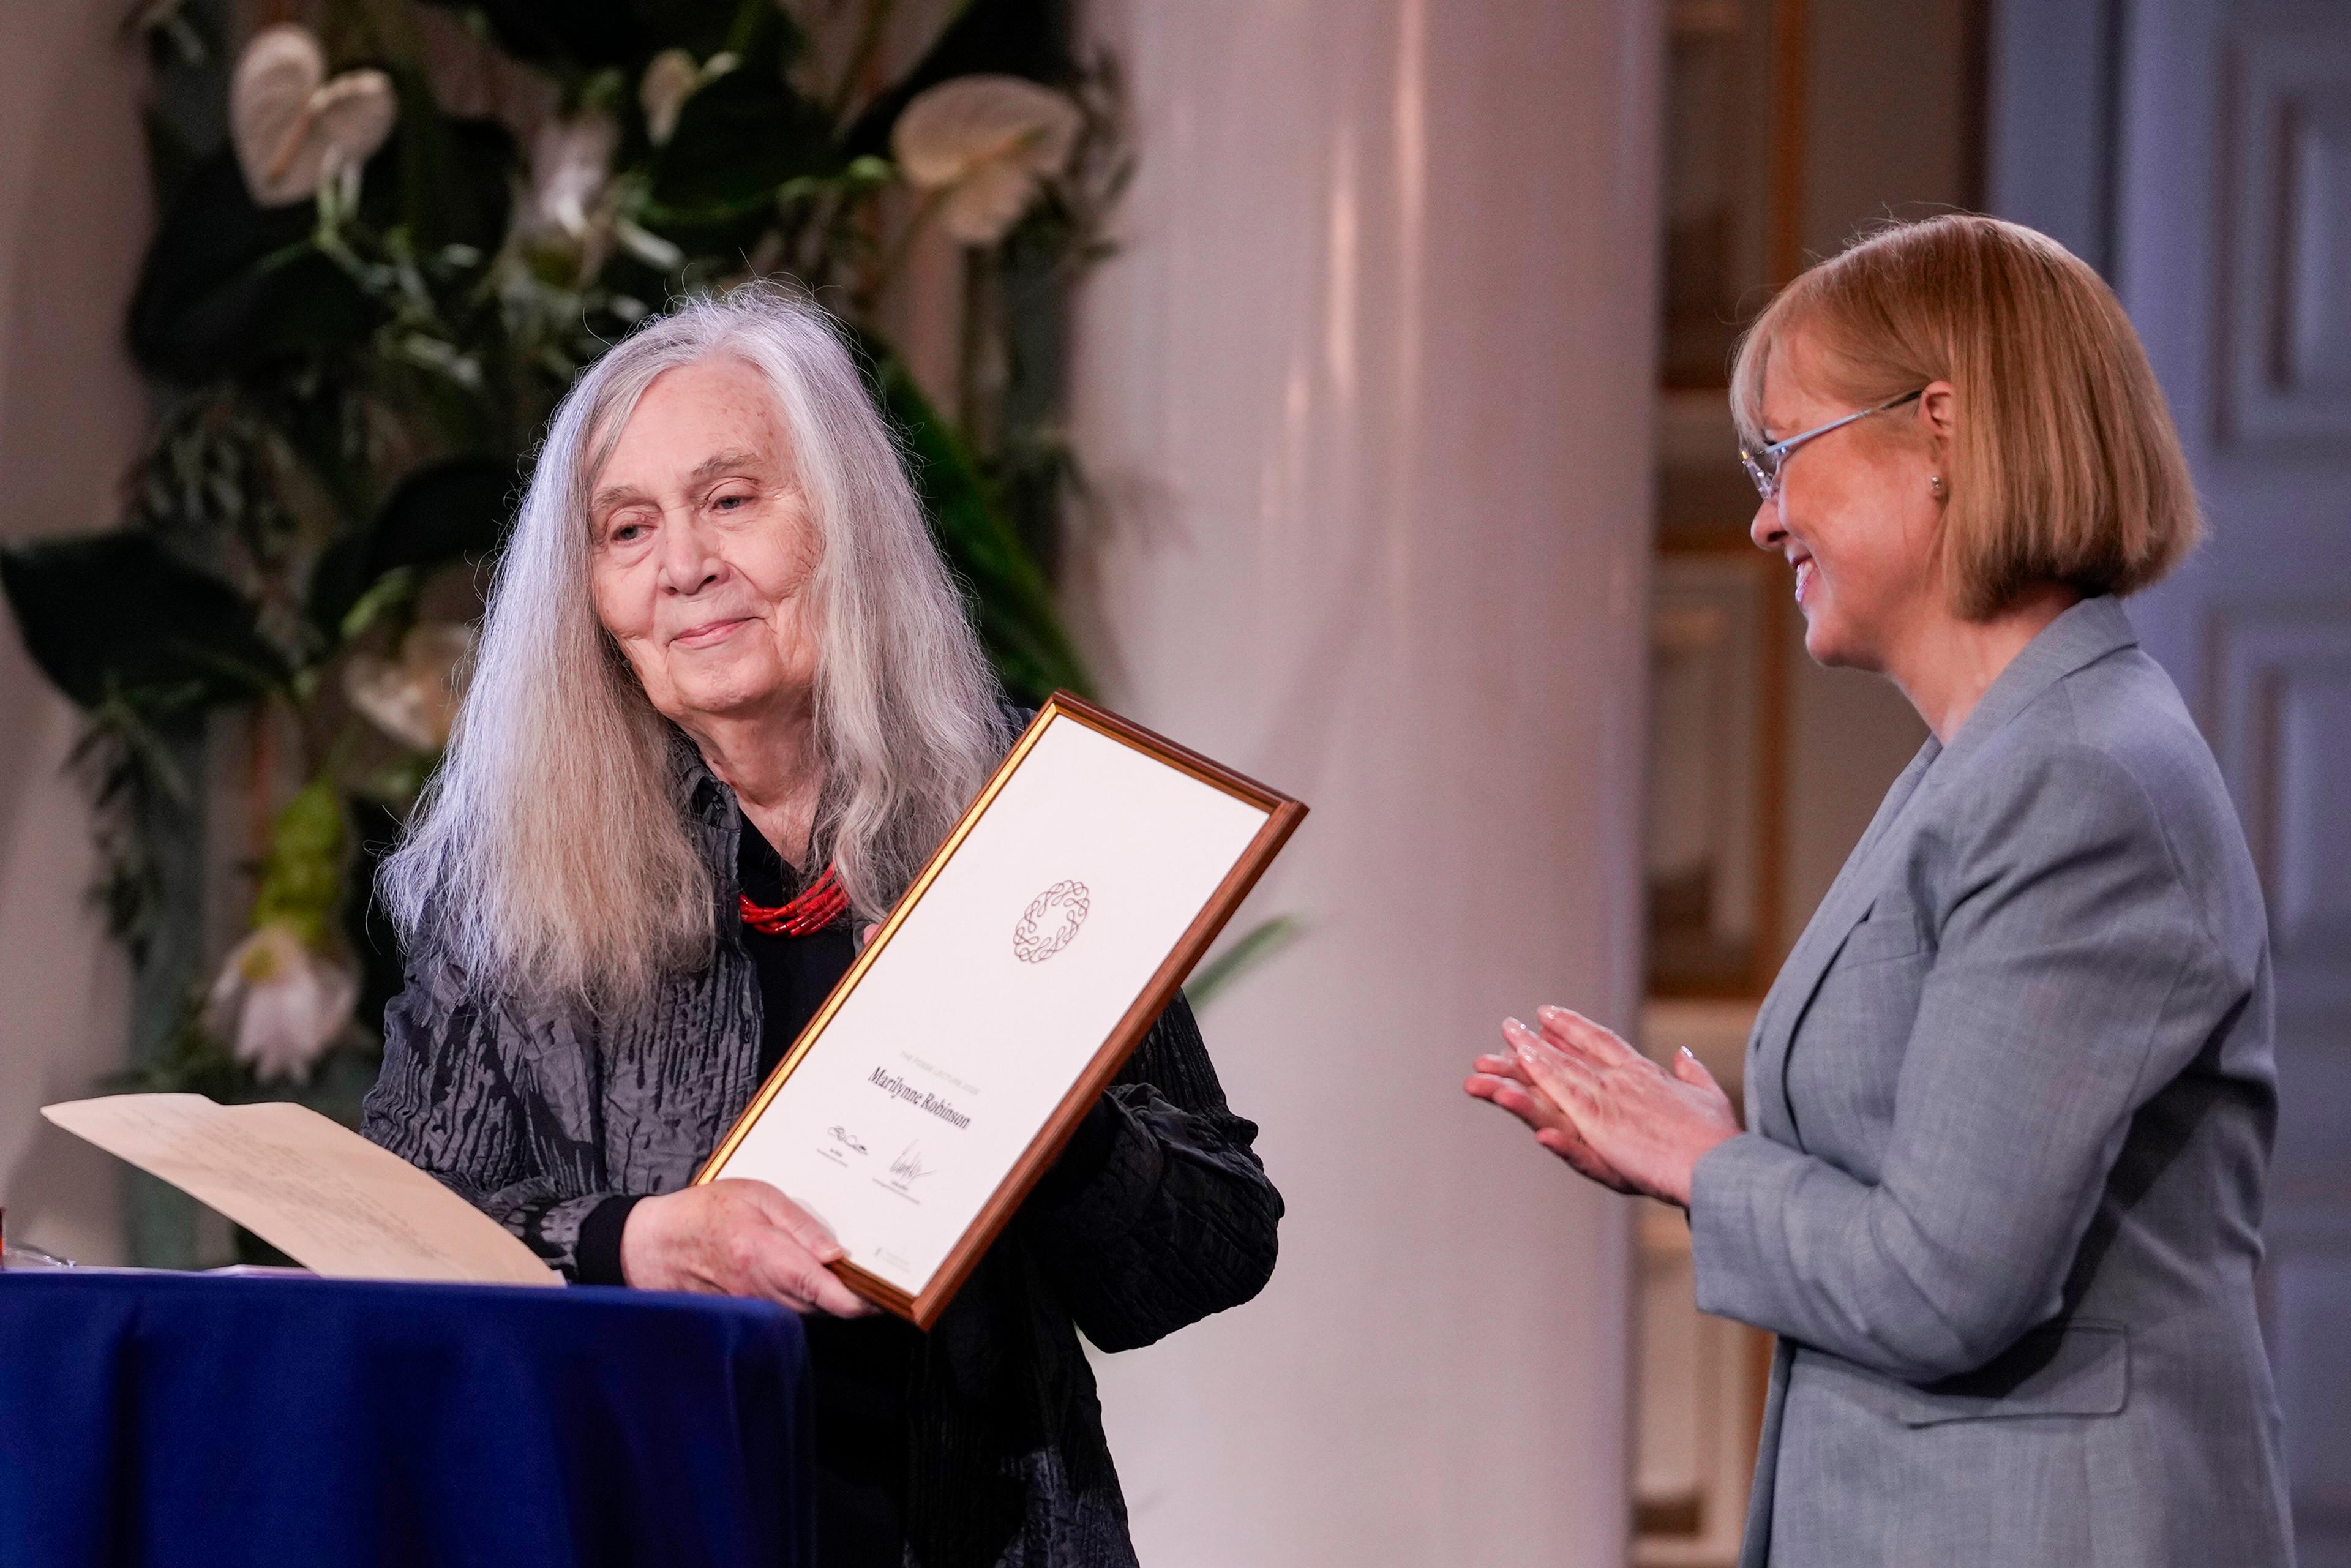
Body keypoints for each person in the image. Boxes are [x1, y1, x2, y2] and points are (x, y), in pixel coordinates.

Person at [362, 285, 1281, 1568]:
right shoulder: (507, 875)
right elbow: (391, 1229)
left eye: (731, 501)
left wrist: (1050, 1108)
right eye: (627, 530)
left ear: (843, 521)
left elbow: (1216, 1248)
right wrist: (638, 1239)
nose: (683, 566)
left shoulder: (1025, 817)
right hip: (631, 1521)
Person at [1466, 215, 2293, 1566]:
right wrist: (1711, 1152)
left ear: (1945, 430)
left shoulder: (2074, 780)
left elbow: (1944, 1285)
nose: (1763, 514)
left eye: (1784, 455)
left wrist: (1704, 1163)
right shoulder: (1993, 760)